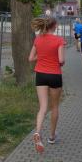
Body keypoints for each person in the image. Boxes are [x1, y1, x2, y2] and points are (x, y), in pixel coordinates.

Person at [28, 17, 65, 153]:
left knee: (42, 107)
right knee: (54, 106)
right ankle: (52, 137)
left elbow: (30, 58)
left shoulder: (38, 39)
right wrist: (55, 59)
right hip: (55, 75)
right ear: (54, 26)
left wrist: (42, 56)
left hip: (41, 75)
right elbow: (61, 60)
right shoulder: (59, 40)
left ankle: (37, 132)